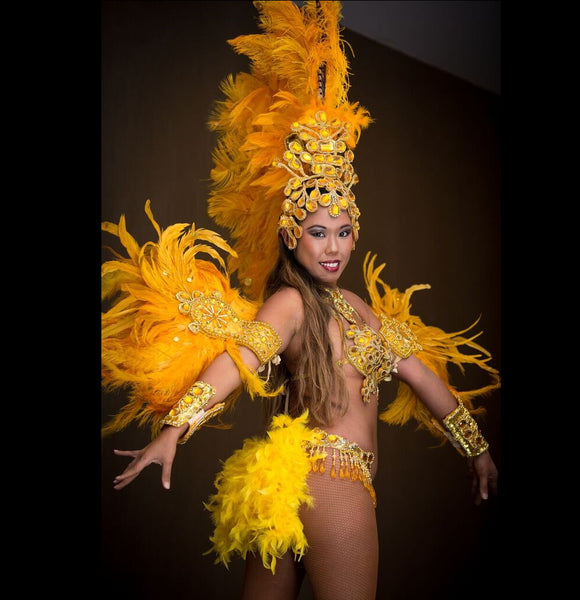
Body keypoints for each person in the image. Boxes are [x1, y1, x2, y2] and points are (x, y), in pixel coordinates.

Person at [101, 2, 500, 599]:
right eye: (317, 232)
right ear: (293, 236)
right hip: (335, 479)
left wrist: (478, 450)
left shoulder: (366, 311)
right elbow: (238, 360)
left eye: (342, 231)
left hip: (284, 486)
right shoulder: (291, 301)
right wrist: (174, 430)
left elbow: (423, 377)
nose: (333, 247)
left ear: (356, 232)